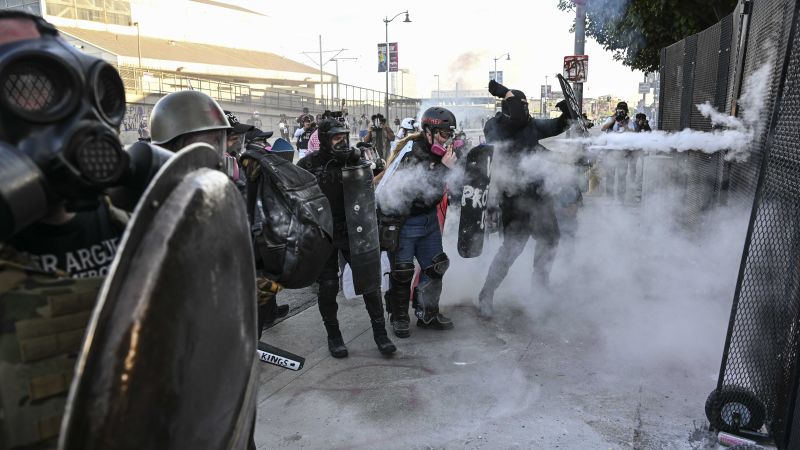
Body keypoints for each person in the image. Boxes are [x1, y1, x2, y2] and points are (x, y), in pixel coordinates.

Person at [297, 119, 396, 357]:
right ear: (323, 138)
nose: (341, 141)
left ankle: (380, 335)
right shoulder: (308, 164)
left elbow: (368, 190)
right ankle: (334, 336)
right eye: (335, 137)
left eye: (344, 136)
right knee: (328, 287)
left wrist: (359, 160)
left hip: (354, 230)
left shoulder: (354, 158)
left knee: (370, 284)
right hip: (324, 233)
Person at [477, 80, 571, 319]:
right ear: (509, 107)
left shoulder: (529, 125)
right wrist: (506, 93)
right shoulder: (495, 126)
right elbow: (516, 118)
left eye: (527, 106)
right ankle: (486, 295)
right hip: (514, 200)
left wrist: (567, 113)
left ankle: (539, 291)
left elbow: (555, 126)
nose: (526, 111)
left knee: (550, 241)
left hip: (539, 199)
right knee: (511, 250)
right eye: (522, 105)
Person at [377, 107, 459, 337]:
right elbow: (415, 191)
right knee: (402, 272)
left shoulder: (440, 154)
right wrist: (445, 168)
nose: (447, 139)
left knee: (435, 267)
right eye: (443, 134)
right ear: (429, 131)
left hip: (429, 220)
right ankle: (399, 316)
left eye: (449, 134)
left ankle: (427, 313)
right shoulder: (412, 154)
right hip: (406, 222)